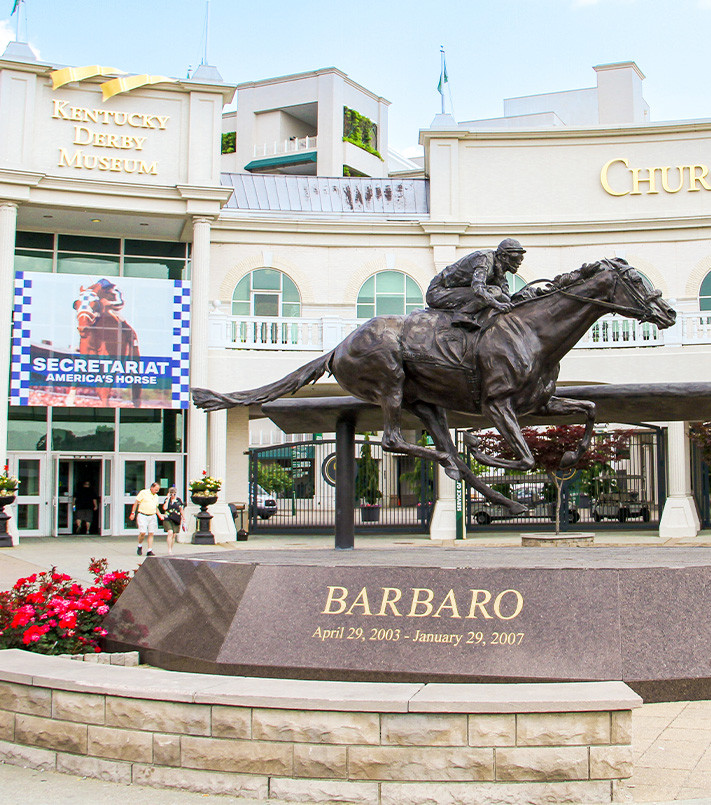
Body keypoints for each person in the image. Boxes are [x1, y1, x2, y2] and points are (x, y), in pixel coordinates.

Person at [425, 238, 526, 330]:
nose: (519, 262)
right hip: (438, 293)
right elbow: (478, 289)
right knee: (495, 291)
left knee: (502, 296)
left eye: (521, 259)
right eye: (516, 258)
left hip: (457, 292)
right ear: (504, 256)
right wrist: (497, 305)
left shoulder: (499, 268)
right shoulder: (484, 259)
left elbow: (507, 296)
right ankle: (462, 314)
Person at [129, 481, 164, 556]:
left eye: (158, 490)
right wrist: (133, 513)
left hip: (152, 515)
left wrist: (160, 515)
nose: (157, 491)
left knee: (151, 533)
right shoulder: (143, 493)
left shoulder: (156, 496)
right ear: (152, 487)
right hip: (143, 515)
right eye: (156, 489)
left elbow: (156, 507)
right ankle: (140, 545)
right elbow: (136, 503)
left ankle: (149, 550)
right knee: (143, 532)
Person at [160, 486, 184, 555]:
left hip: (176, 518)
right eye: (171, 494)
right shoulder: (167, 500)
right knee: (170, 532)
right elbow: (164, 508)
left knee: (174, 534)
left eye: (174, 494)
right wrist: (168, 499)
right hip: (168, 518)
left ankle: (171, 547)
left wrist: (183, 517)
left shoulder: (178, 500)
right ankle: (169, 549)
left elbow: (181, 509)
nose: (173, 495)